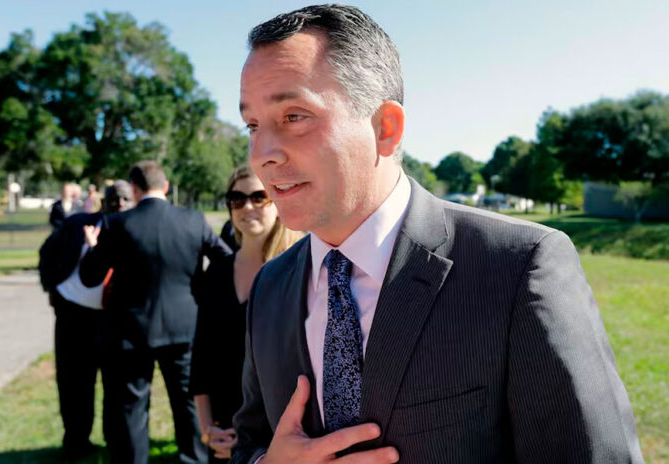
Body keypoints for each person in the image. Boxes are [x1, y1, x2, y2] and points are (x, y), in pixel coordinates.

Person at [232, 5, 643, 464]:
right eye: (252, 125)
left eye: (294, 116)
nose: (262, 154)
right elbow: (249, 441)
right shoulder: (270, 287)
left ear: (385, 128)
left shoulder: (517, 267)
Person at [79, 160, 231, 464]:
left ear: (134, 188)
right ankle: (195, 460)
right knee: (188, 403)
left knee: (132, 408)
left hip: (132, 330)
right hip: (185, 326)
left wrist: (93, 247)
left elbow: (89, 276)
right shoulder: (193, 219)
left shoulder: (117, 224)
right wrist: (198, 290)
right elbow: (226, 261)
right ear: (166, 186)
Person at [190, 166, 303, 463]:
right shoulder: (216, 272)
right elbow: (201, 356)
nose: (247, 207)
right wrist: (207, 428)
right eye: (237, 199)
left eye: (258, 196)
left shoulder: (300, 271)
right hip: (223, 429)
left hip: (280, 432)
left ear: (278, 200)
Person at [39, 180, 134, 459]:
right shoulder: (77, 224)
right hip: (73, 316)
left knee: (116, 385)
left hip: (114, 318)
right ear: (104, 202)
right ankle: (76, 441)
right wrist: (53, 289)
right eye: (114, 199)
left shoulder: (136, 230)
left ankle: (114, 442)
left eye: (125, 199)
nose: (119, 204)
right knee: (73, 382)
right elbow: (47, 253)